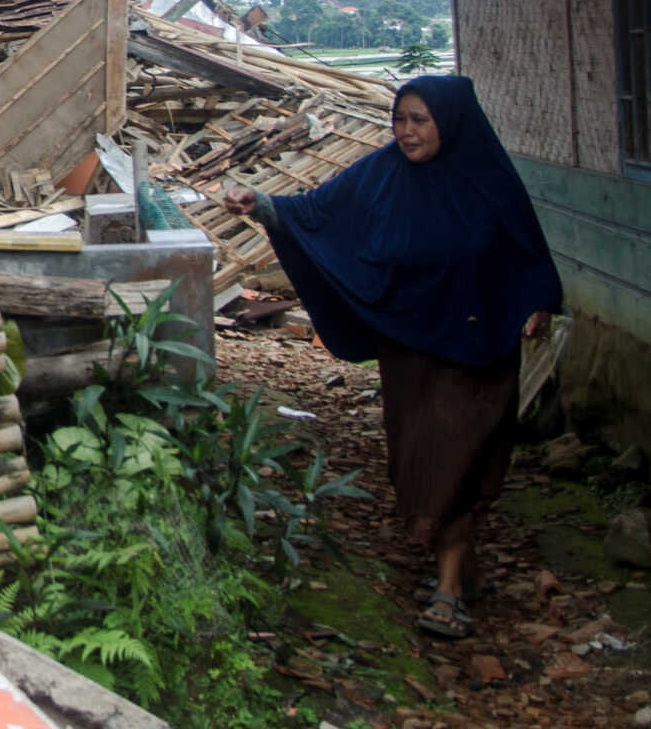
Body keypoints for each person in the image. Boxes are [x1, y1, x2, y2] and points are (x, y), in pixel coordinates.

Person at [221, 75, 561, 639]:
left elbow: (526, 250)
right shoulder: (381, 174)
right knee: (424, 454)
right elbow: (316, 213)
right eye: (399, 119)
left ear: (448, 122)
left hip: (480, 343)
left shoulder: (486, 178)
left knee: (461, 452)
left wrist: (540, 301)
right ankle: (460, 564)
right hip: (410, 346)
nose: (405, 132)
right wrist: (263, 205)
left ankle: (448, 590)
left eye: (419, 120)